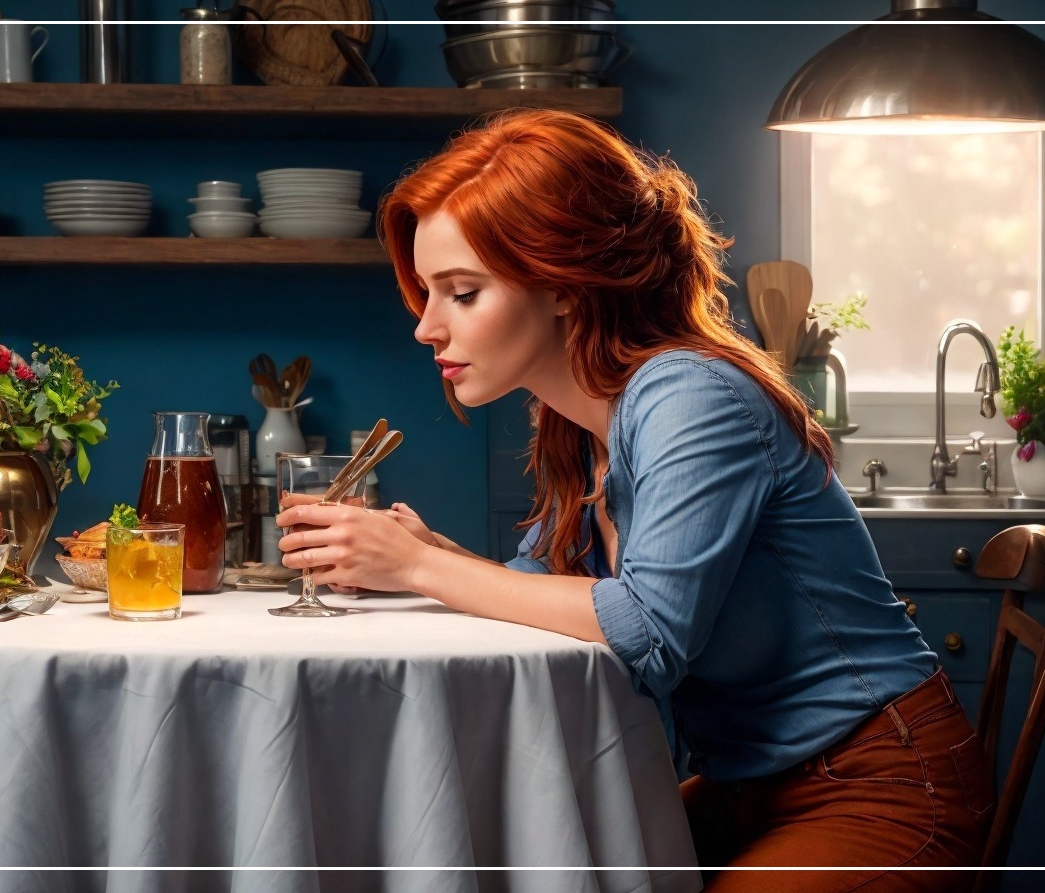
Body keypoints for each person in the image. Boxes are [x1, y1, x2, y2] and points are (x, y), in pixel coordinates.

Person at [275, 109, 994, 889]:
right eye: (427, 293)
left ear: (562, 283)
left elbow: (648, 630)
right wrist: (431, 558)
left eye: (462, 293)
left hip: (882, 784)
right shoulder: (581, 417)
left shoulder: (691, 397)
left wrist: (420, 568)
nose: (426, 327)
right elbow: (553, 597)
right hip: (748, 786)